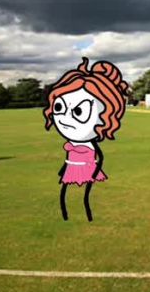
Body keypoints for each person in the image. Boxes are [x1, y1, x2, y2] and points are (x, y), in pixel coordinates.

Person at [43, 57, 129, 221]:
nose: (65, 118)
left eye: (79, 112)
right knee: (65, 192)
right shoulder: (72, 143)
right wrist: (63, 169)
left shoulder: (90, 144)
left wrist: (95, 172)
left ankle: (87, 214)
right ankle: (66, 214)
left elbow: (99, 157)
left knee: (85, 195)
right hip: (71, 169)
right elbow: (68, 159)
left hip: (87, 169)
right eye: (59, 107)